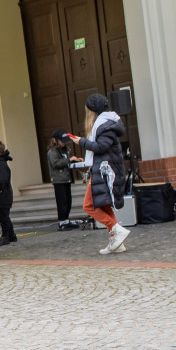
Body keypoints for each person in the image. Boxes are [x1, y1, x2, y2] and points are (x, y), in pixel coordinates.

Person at [69, 93, 131, 254]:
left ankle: (117, 230)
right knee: (103, 205)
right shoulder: (106, 123)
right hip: (103, 170)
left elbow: (101, 147)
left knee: (88, 206)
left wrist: (82, 142)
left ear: (93, 110)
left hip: (105, 171)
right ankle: (117, 242)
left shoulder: (105, 125)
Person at [48, 130, 82, 231]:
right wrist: (69, 160)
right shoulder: (52, 152)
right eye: (62, 141)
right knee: (62, 201)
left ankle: (66, 220)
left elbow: (67, 161)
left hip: (67, 179)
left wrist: (76, 161)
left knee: (68, 201)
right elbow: (55, 163)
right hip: (59, 180)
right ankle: (62, 221)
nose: (64, 143)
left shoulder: (66, 150)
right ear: (55, 140)